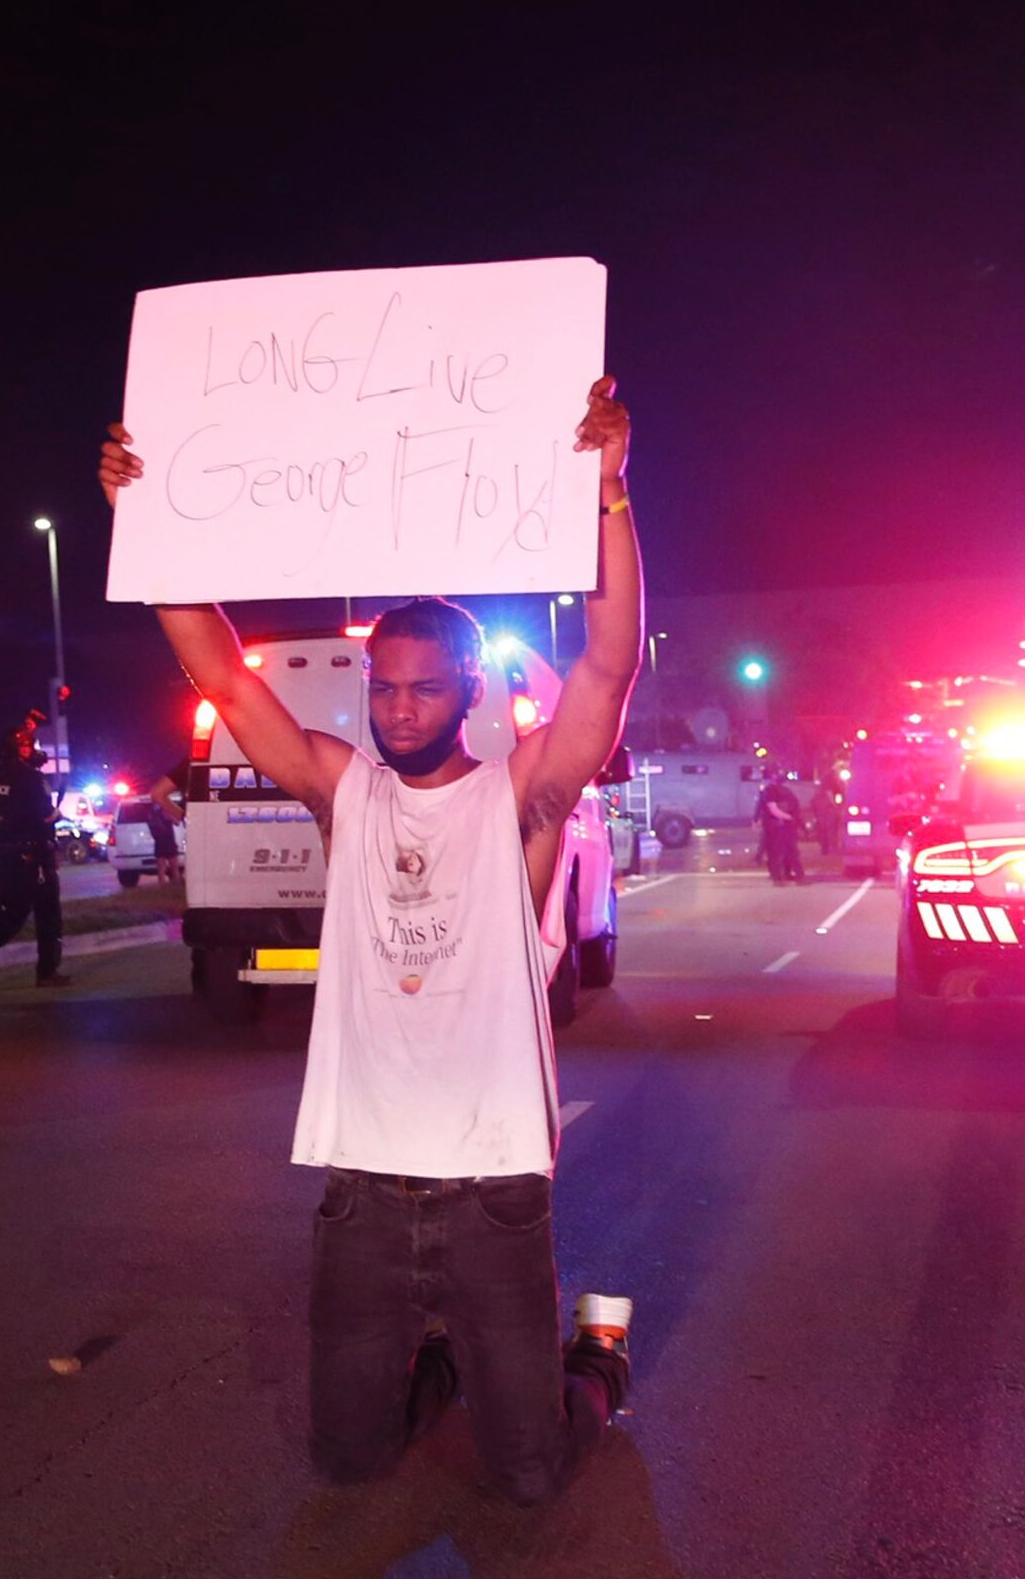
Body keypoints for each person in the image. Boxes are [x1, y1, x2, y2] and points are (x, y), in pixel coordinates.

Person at [97, 376, 639, 1506]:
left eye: (422, 689)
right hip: (365, 1186)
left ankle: (595, 1358)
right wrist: (145, 525)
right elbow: (223, 677)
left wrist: (609, 495)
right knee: (350, 1460)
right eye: (381, 690)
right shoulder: (344, 792)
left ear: (471, 689)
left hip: (493, 1183)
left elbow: (607, 669)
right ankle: (446, 1361)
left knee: (531, 1475)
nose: (396, 710)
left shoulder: (522, 799)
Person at [0, 709, 72, 988]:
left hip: (6, 852)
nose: (32, 749)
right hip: (35, 854)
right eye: (28, 744)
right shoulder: (31, 778)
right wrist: (56, 817)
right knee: (48, 913)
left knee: (16, 910)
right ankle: (47, 971)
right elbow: (44, 815)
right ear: (18, 748)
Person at [757, 770, 807, 884]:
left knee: (777, 853)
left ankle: (778, 877)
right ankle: (797, 876)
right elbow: (794, 809)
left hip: (777, 826)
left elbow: (772, 809)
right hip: (786, 825)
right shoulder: (787, 792)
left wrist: (786, 817)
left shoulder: (770, 791)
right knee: (791, 852)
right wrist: (793, 820)